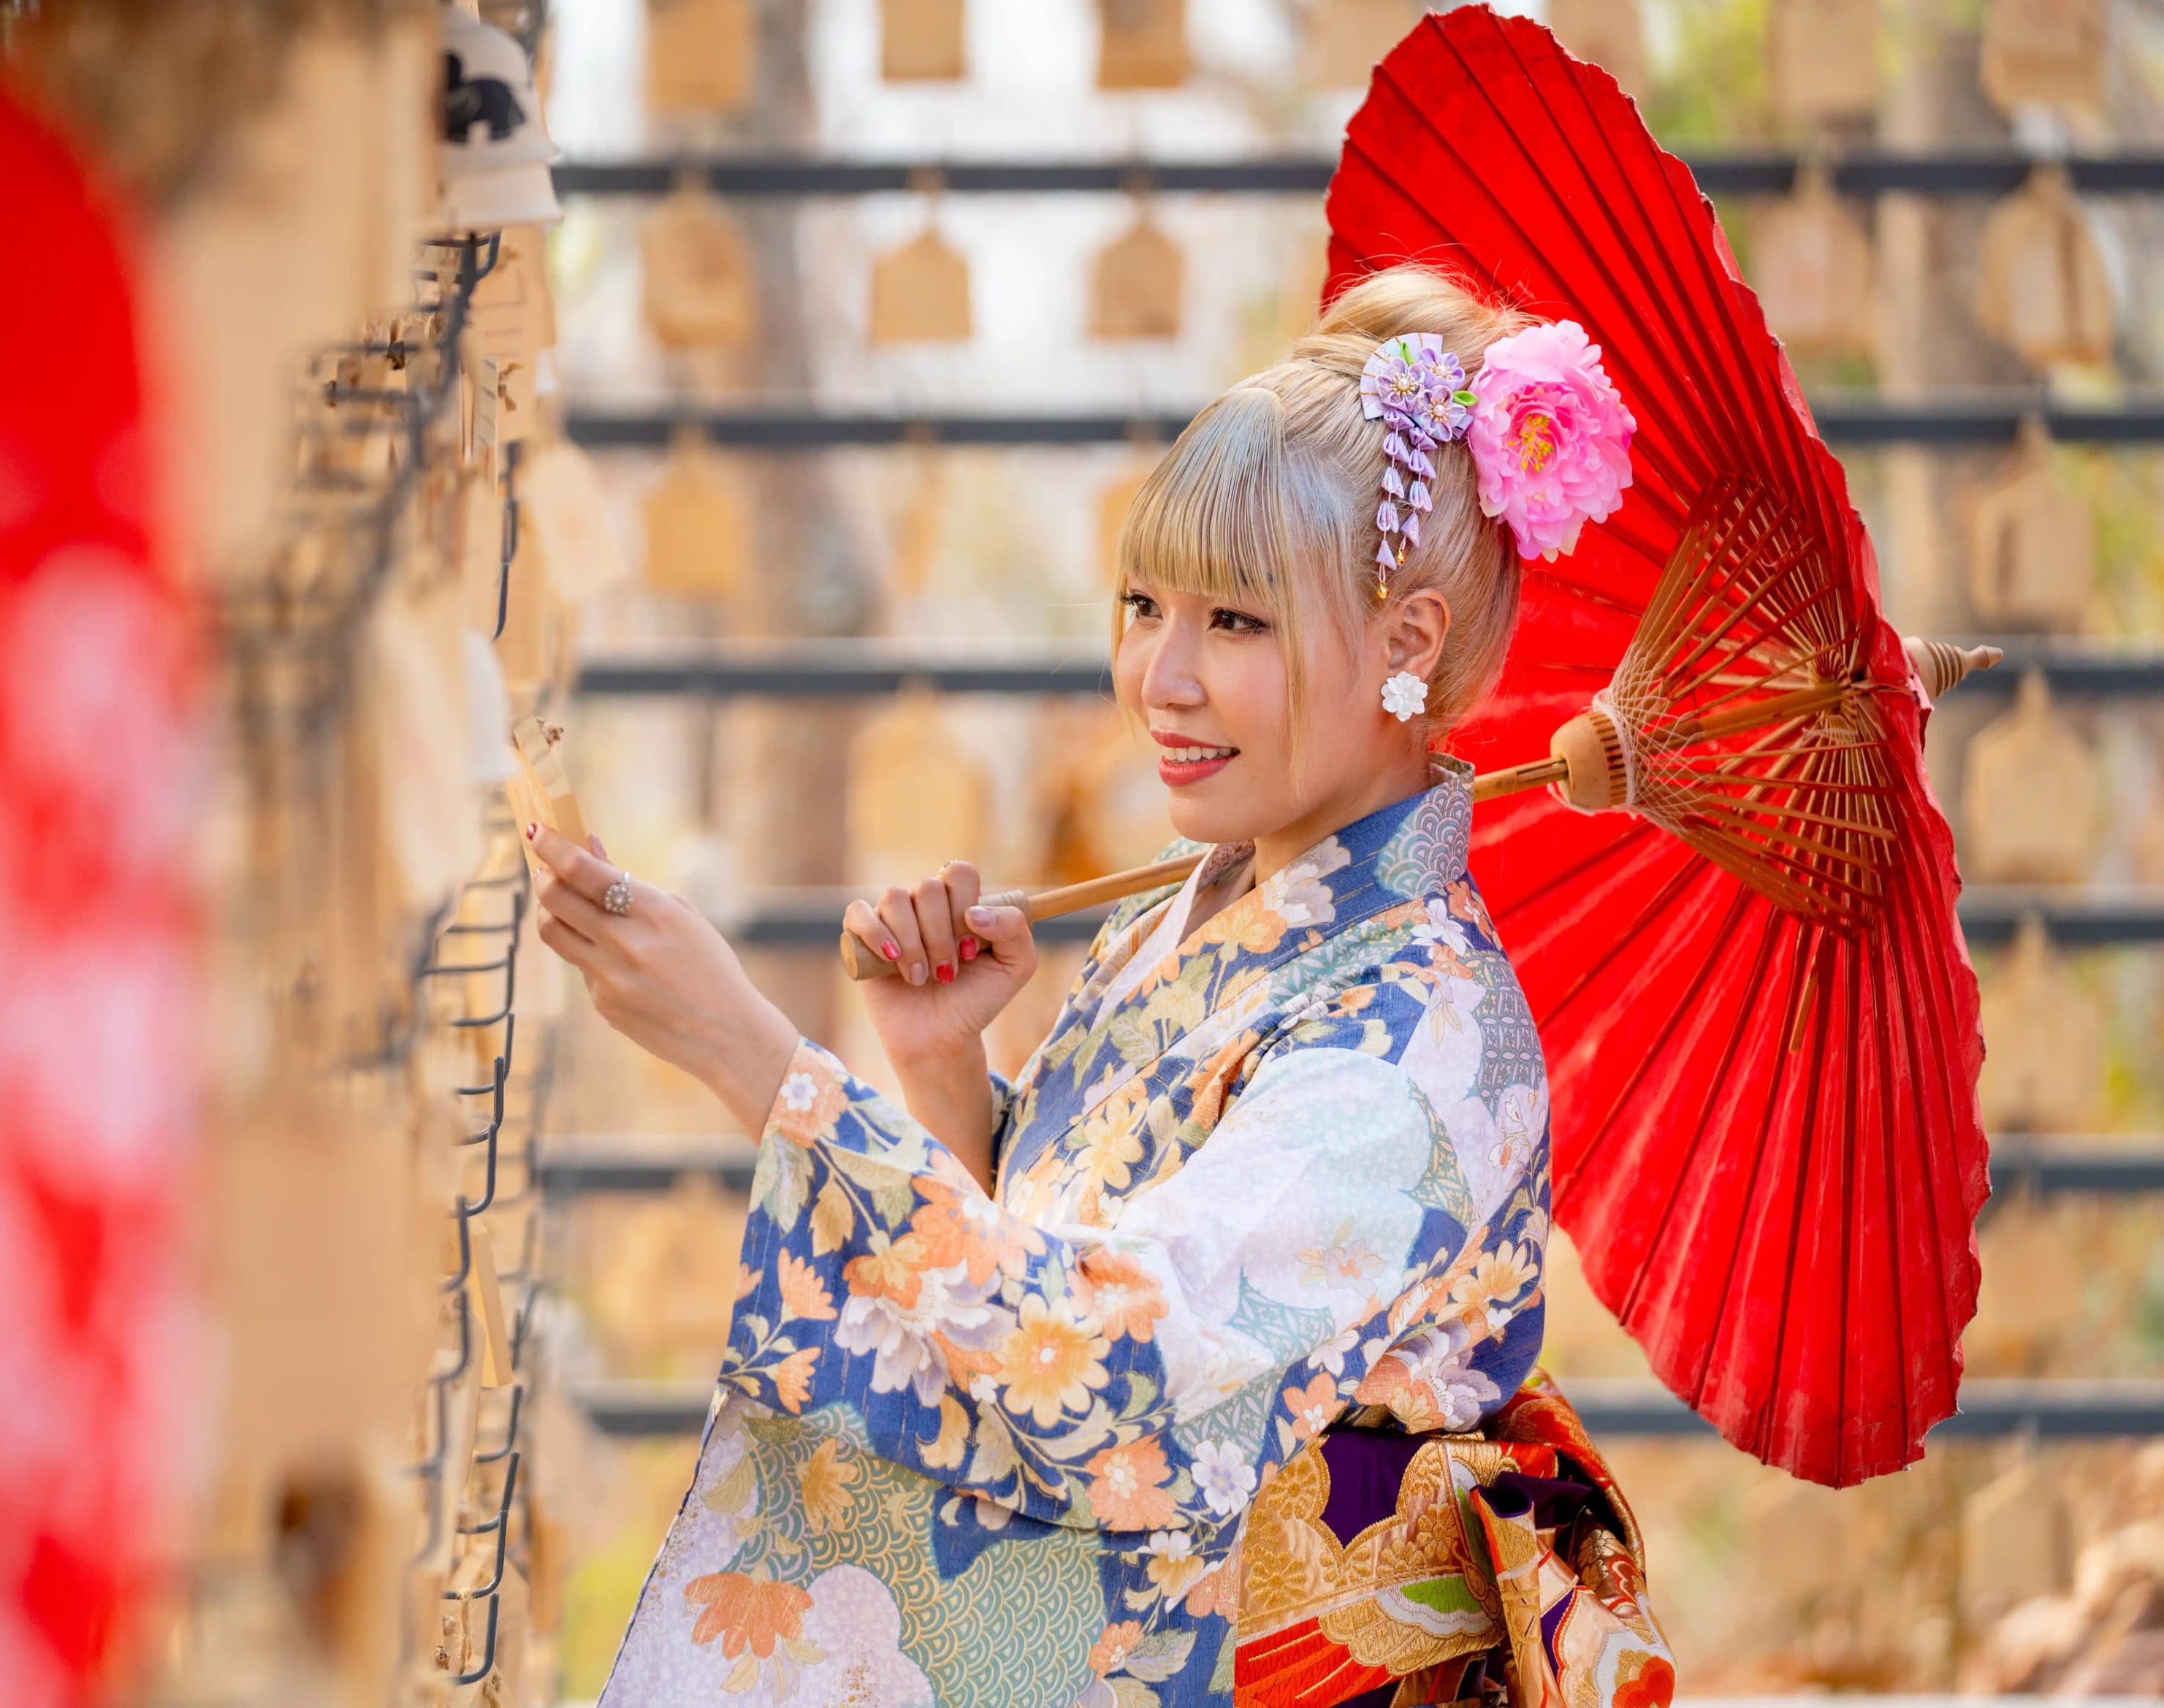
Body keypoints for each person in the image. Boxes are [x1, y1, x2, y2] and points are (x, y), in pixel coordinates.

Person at [530, 268, 1675, 1708]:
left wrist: (759, 1062)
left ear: (1408, 643)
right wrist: (949, 1074)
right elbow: (1059, 1276)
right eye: (1145, 606)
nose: (1160, 680)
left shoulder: (1423, 1048)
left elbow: (1117, 1378)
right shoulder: (1195, 911)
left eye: (1237, 624)